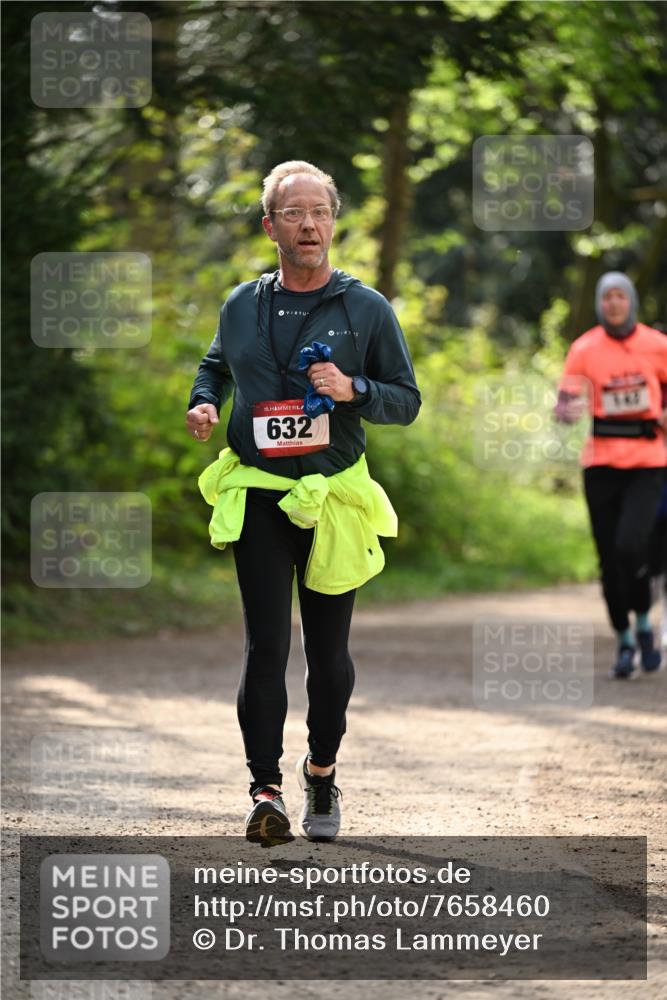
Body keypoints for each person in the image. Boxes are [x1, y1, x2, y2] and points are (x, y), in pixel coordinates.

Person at [185, 160, 421, 844]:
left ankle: (320, 771)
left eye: (319, 212)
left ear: (334, 222)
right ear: (270, 227)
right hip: (260, 493)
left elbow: (405, 401)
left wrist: (355, 392)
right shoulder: (241, 303)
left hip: (332, 499)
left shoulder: (366, 309)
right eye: (294, 213)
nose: (309, 224)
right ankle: (265, 790)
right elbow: (214, 364)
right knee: (266, 646)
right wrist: (204, 402)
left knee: (328, 655)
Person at [554, 271, 667, 679]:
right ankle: (624, 639)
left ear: (631, 301)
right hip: (600, 464)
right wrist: (566, 410)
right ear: (601, 304)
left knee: (630, 547)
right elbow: (565, 404)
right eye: (607, 298)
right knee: (608, 561)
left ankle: (643, 626)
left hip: (647, 462)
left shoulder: (657, 346)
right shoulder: (584, 348)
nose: (613, 304)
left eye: (620, 296)